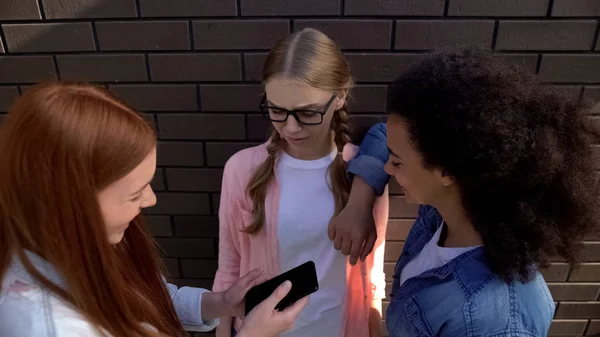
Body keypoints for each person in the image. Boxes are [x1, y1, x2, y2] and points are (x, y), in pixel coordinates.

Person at [0, 82, 308, 337]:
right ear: (69, 205)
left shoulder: (82, 245)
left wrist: (221, 303)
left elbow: (147, 299)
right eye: (134, 195)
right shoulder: (46, 326)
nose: (150, 200)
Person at [345, 47, 600, 337]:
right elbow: (381, 134)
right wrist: (359, 203)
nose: (388, 169)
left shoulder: (493, 323)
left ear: (447, 170)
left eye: (398, 161)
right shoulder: (444, 208)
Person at [213, 28, 388, 337]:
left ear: (341, 96)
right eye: (276, 110)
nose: (290, 128)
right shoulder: (242, 170)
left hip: (342, 329)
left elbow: (372, 268)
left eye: (308, 112)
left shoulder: (363, 174)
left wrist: (375, 325)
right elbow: (230, 265)